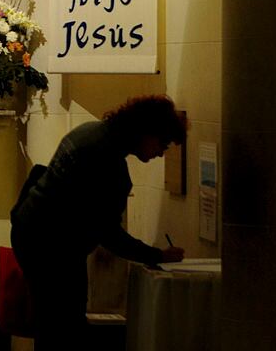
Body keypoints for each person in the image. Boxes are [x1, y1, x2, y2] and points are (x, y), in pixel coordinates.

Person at [10, 95, 188, 350]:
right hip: (54, 250)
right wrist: (157, 255)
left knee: (51, 325)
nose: (161, 153)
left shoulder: (89, 131)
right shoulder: (109, 162)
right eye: (163, 143)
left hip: (31, 233)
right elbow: (110, 234)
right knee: (64, 328)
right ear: (146, 132)